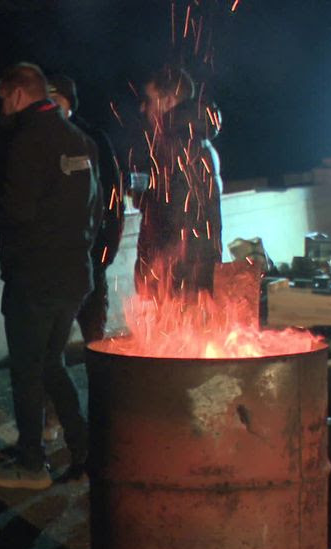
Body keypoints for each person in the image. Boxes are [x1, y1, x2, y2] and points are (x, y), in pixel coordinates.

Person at [0, 63, 101, 490]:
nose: (1, 107)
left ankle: (32, 464)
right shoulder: (78, 138)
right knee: (52, 363)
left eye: (2, 98)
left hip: (35, 277)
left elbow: (16, 213)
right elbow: (94, 209)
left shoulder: (27, 141)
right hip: (73, 274)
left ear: (16, 95)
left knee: (28, 372)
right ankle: (84, 448)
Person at [133, 65, 222, 298]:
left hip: (177, 278)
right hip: (193, 272)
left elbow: (176, 216)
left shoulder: (173, 146)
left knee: (177, 333)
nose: (144, 108)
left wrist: (160, 273)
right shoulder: (198, 142)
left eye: (149, 100)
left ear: (169, 100)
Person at [47, 74, 124, 344]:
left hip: (90, 257)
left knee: (95, 338)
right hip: (53, 262)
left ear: (69, 103)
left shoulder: (92, 139)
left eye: (55, 99)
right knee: (52, 343)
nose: (50, 106)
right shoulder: (37, 141)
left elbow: (113, 195)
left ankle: (101, 385)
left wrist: (105, 253)